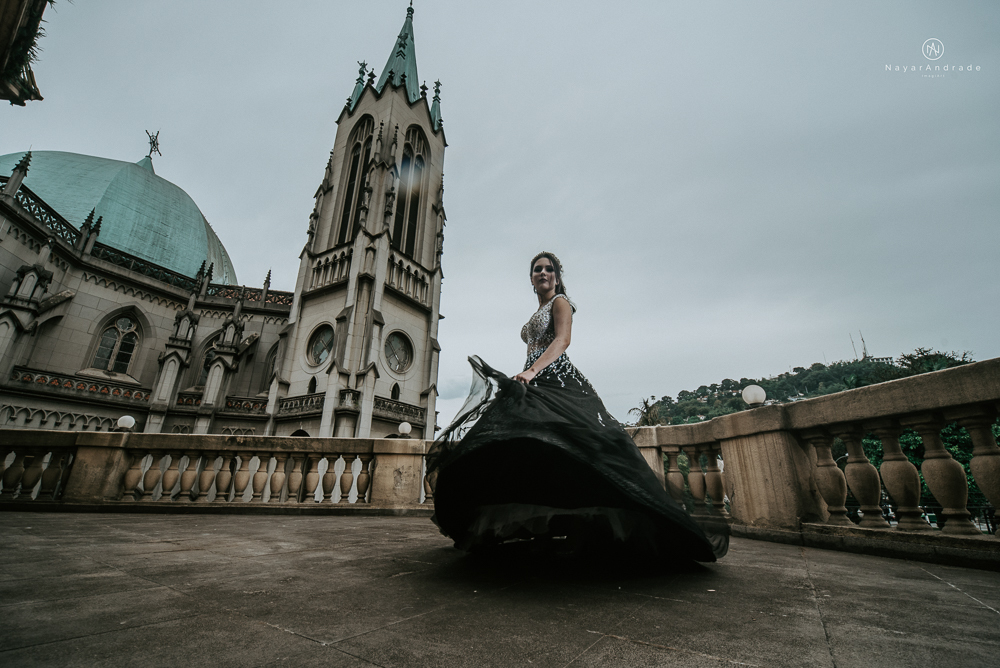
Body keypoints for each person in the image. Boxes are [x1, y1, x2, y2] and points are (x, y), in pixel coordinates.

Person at [427, 252, 725, 562]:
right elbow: (535, 347)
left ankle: (585, 528)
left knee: (582, 445)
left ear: (557, 277)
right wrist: (529, 376)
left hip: (559, 379)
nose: (543, 272)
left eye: (549, 269)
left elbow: (562, 341)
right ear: (531, 278)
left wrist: (531, 371)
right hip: (538, 380)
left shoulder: (560, 303)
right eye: (538, 269)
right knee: (537, 449)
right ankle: (545, 527)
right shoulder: (538, 310)